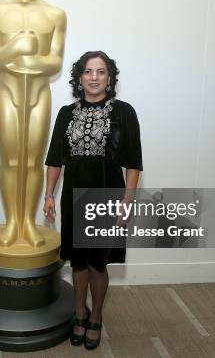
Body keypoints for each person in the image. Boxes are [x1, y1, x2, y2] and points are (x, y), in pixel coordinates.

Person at [43, 51, 142, 350]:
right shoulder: (65, 113)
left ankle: (96, 315)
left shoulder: (124, 112)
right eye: (88, 72)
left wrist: (127, 202)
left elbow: (133, 163)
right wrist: (48, 194)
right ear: (80, 78)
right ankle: (78, 312)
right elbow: (54, 159)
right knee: (78, 262)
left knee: (98, 263)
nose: (94, 77)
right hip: (73, 197)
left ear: (110, 78)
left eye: (101, 72)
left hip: (106, 197)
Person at [0, 0, 67, 248]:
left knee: (32, 161)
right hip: (8, 92)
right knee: (11, 160)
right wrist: (16, 47)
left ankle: (28, 222)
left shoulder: (55, 14)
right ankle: (12, 223)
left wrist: (25, 60)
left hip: (39, 95)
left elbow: (55, 62)